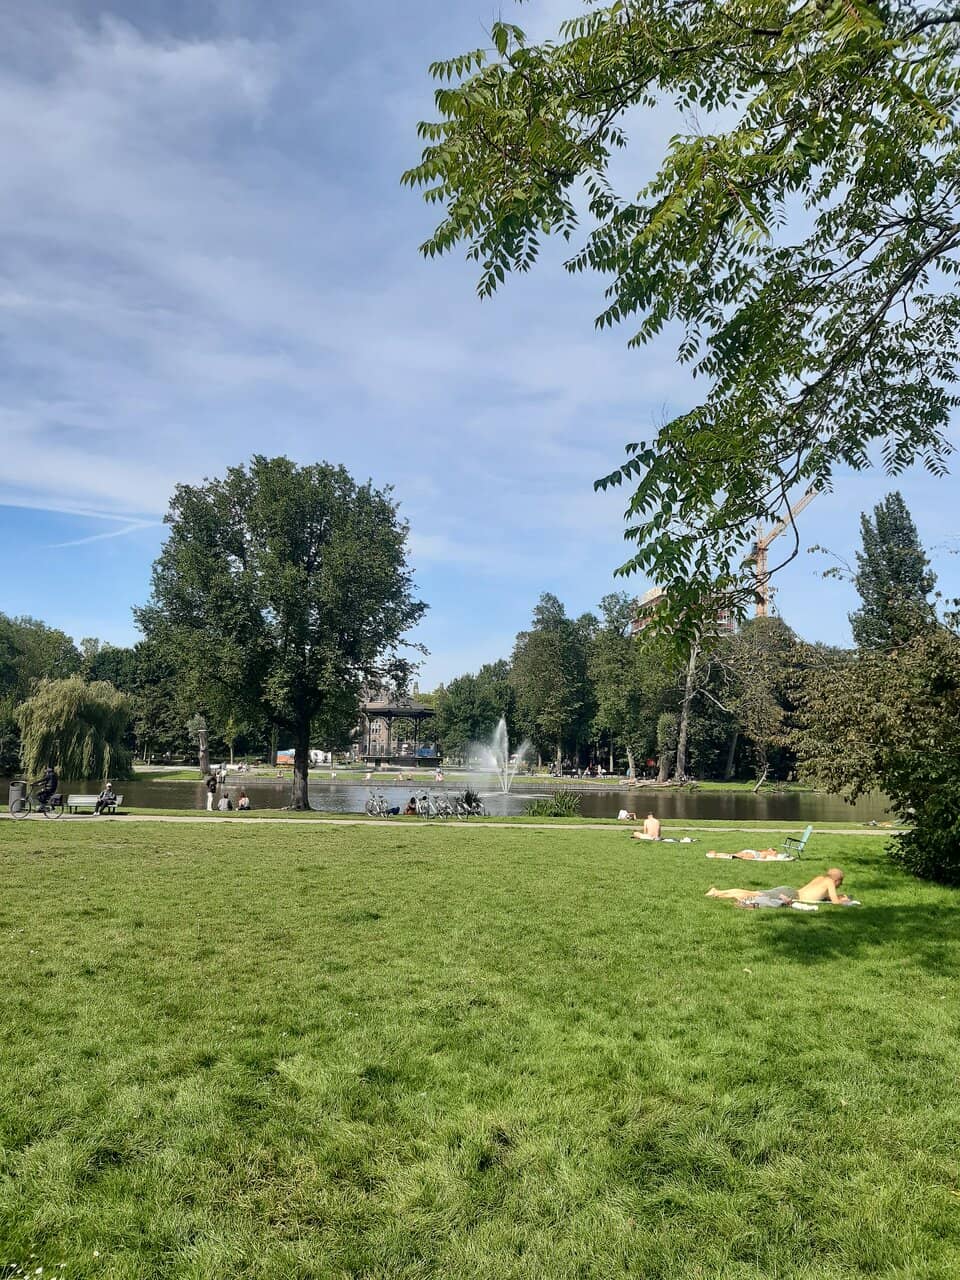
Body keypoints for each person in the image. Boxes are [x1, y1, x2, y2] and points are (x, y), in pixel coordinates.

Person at [706, 868, 855, 907]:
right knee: (752, 895)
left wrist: (832, 897)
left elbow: (817, 894)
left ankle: (718, 892)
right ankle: (717, 894)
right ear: (837, 881)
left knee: (753, 893)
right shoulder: (829, 882)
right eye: (840, 884)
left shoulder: (820, 878)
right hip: (791, 895)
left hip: (790, 890)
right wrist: (845, 900)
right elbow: (835, 902)